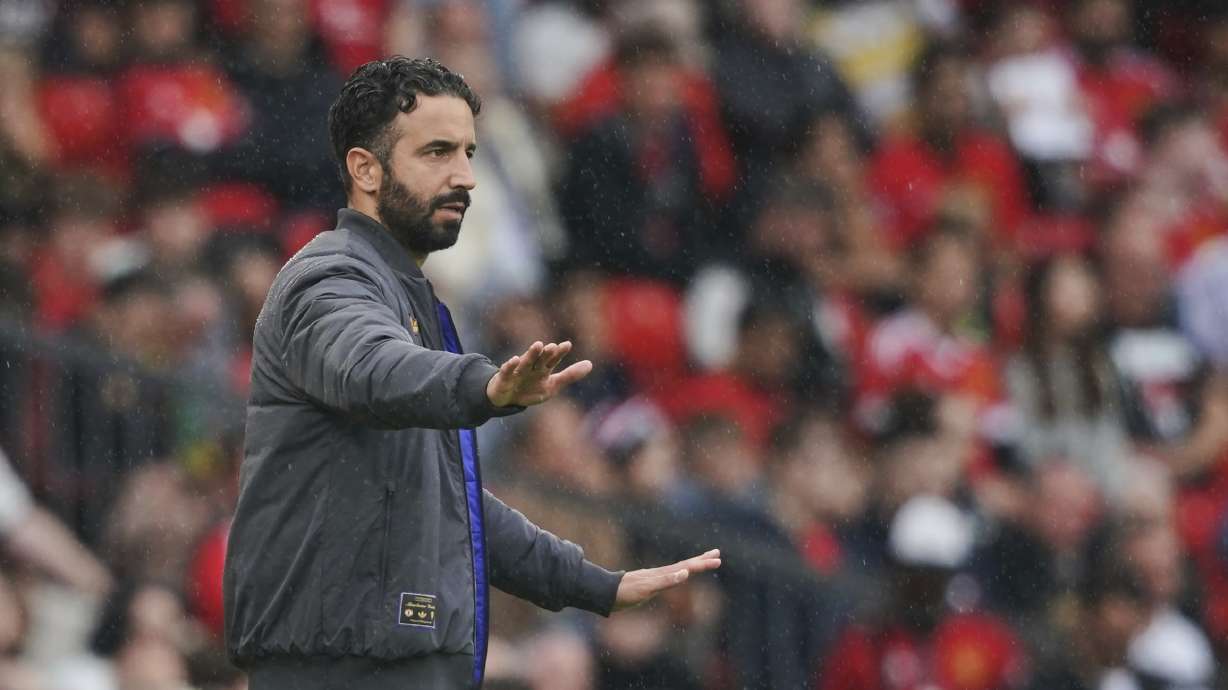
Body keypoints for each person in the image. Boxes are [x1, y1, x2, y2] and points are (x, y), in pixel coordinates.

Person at [223, 56, 721, 689]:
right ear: (365, 168)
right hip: (345, 665)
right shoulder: (329, 279)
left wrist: (596, 585)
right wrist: (481, 387)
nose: (465, 176)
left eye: (468, 153)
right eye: (436, 152)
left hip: (389, 658)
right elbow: (373, 366)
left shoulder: (408, 297)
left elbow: (448, 499)